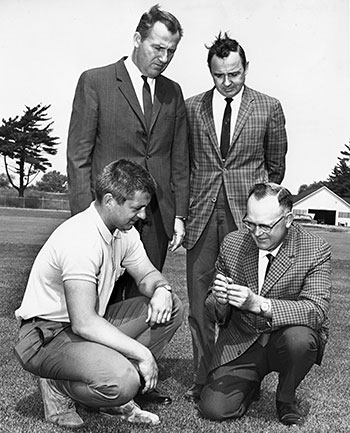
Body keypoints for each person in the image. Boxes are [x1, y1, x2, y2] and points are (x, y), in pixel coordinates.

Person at [14, 159, 184, 428]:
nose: (142, 216)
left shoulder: (123, 232)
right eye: (136, 208)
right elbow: (83, 322)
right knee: (125, 381)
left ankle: (103, 382)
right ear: (109, 200)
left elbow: (147, 275)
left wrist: (161, 288)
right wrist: (143, 354)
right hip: (47, 335)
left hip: (84, 327)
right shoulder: (80, 239)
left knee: (170, 306)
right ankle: (59, 386)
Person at [183, 33, 288, 401]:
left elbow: (276, 168)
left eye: (235, 74)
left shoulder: (269, 107)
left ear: (246, 68)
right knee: (201, 303)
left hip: (247, 221)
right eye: (219, 76)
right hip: (202, 218)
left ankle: (245, 376)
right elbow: (186, 165)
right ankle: (202, 379)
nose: (227, 83)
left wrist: (258, 211)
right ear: (209, 72)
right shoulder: (191, 107)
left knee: (245, 301)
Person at [67, 4, 189, 293]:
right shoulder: (96, 81)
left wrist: (179, 216)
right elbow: (78, 157)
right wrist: (85, 217)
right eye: (157, 48)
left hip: (157, 218)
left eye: (171, 51)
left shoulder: (173, 92)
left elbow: (180, 160)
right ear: (137, 39)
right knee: (101, 302)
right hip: (107, 215)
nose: (164, 58)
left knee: (143, 304)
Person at [199, 182, 331, 426]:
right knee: (214, 410)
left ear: (288, 219)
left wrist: (260, 304)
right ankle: (249, 383)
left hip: (286, 339)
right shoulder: (232, 243)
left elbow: (317, 310)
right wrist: (220, 301)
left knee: (301, 340)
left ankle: (286, 397)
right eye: (250, 223)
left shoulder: (314, 248)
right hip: (242, 340)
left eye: (265, 226)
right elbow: (213, 310)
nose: (256, 233)